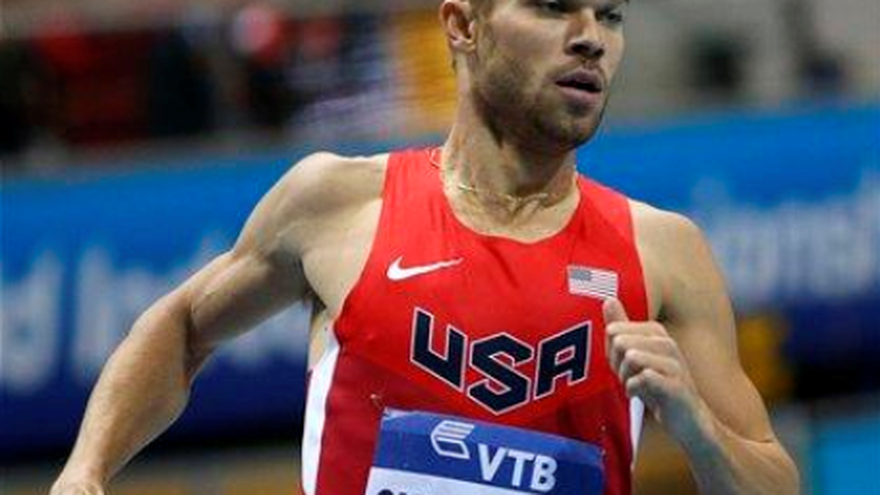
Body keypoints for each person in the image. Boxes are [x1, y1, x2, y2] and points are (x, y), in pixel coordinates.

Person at [51, 0, 800, 494]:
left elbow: (772, 479)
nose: (591, 37)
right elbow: (182, 327)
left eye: (609, 14)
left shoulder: (663, 250)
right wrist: (84, 472)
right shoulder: (339, 203)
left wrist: (697, 426)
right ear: (462, 25)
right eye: (551, 6)